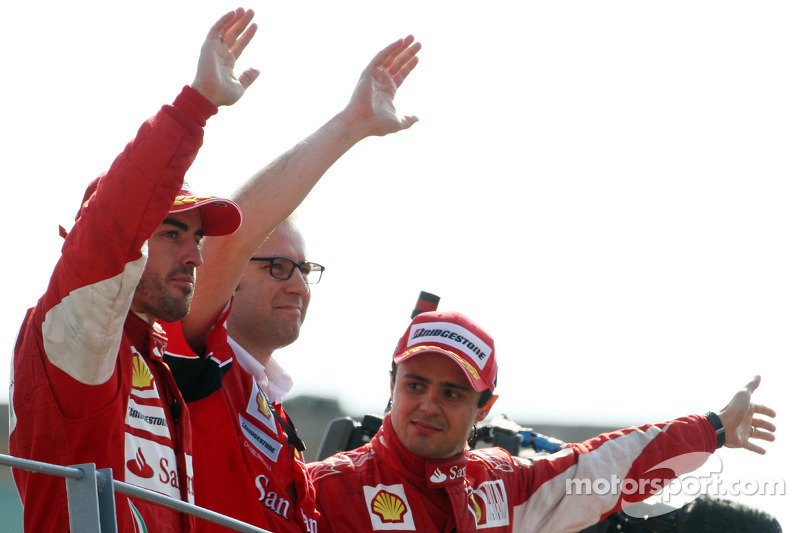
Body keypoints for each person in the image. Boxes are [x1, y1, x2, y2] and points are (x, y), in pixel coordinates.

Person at [9, 9, 259, 533]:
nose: (194, 254)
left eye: (197, 238)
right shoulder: (74, 336)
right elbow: (108, 233)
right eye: (171, 233)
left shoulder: (156, 360)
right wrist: (195, 108)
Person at [160, 36, 421, 533]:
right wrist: (352, 124)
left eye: (305, 270)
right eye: (278, 267)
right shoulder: (192, 359)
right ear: (227, 278)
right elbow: (227, 240)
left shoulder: (271, 407)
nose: (299, 287)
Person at [307, 310, 777, 532]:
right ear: (392, 385)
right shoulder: (323, 488)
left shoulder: (502, 485)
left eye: (451, 392)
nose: (428, 404)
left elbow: (606, 468)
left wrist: (713, 429)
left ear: (484, 408)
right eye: (415, 385)